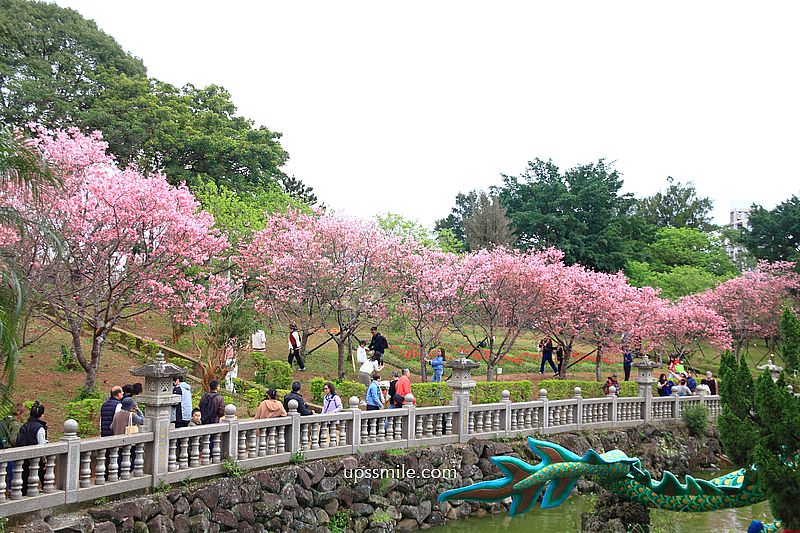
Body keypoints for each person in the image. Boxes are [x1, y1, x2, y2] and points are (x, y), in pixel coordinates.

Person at [16, 401, 47, 495]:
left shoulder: (24, 426)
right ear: (41, 415)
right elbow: (41, 446)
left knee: (24, 480)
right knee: (42, 478)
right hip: (36, 459)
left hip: (24, 458)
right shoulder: (40, 428)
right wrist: (44, 460)